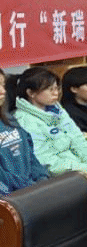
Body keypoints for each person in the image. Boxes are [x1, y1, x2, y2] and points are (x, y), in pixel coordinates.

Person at [13, 67, 87, 244]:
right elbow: (46, 161)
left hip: (83, 168)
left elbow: (78, 140)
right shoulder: (24, 120)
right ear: (31, 93)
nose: (56, 93)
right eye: (50, 89)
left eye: (57, 88)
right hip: (60, 176)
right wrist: (84, 169)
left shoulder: (56, 109)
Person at [0, 67, 50, 197]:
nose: (3, 91)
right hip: (12, 199)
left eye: (3, 85)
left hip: (32, 191)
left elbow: (31, 158)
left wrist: (43, 180)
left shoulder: (10, 120)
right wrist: (31, 190)